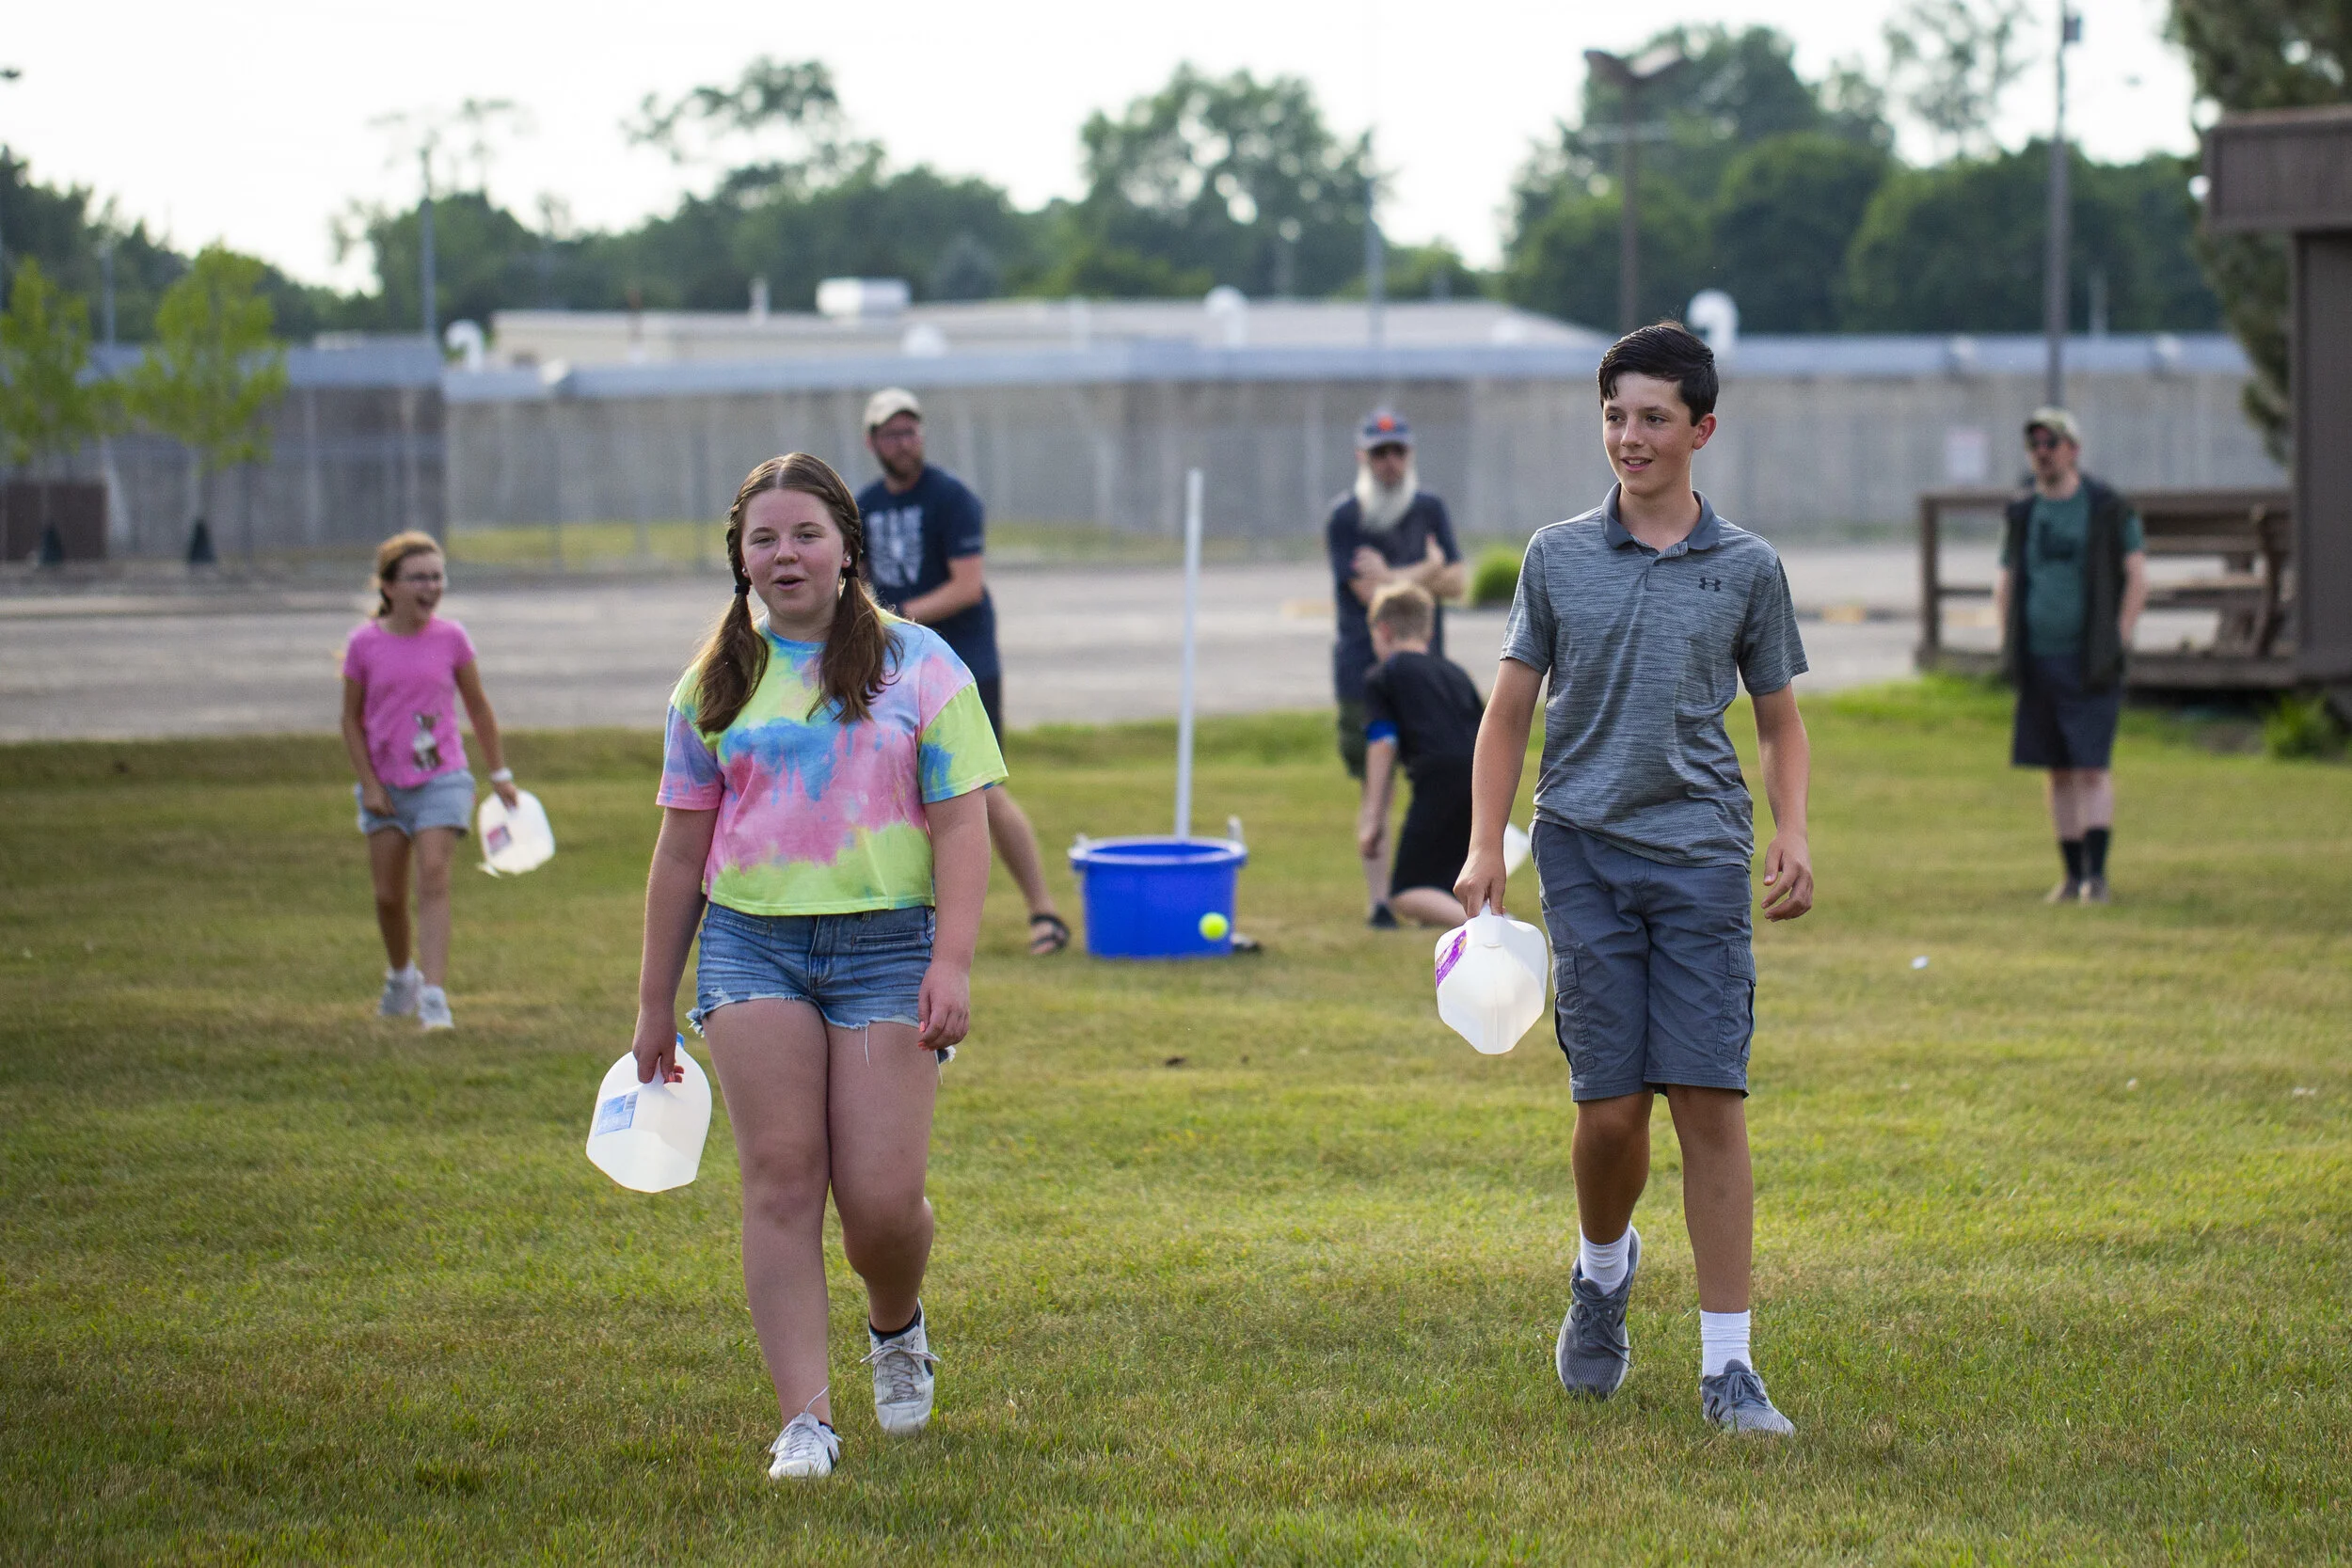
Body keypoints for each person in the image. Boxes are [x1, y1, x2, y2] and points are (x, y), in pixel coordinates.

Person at [1455, 323, 1814, 1436]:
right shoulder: (1556, 554)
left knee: (1708, 1094)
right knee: (1609, 1112)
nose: (1631, 435)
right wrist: (1484, 844)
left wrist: (1789, 828)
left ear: (1702, 428)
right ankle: (1601, 1275)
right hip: (1583, 848)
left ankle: (1728, 1366)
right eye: (1615, 414)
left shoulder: (1748, 566)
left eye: (1654, 416)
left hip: (1702, 850)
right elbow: (1509, 707)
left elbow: (1779, 718)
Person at [629, 453, 1002, 1482]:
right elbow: (677, 855)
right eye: (762, 537)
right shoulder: (713, 682)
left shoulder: (921, 664)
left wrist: (954, 960)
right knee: (782, 1180)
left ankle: (896, 1321)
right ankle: (806, 1419)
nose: (783, 553)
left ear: (846, 545)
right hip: (753, 946)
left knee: (882, 1201)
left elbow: (961, 822)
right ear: (739, 556)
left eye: (803, 534)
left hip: (889, 945)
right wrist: (653, 1001)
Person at [856, 388, 1070, 957]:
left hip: (962, 663)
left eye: (912, 431)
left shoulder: (951, 498)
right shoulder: (864, 506)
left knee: (980, 789)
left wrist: (891, 621)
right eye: (892, 434)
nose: (905, 443)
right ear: (872, 441)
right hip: (892, 665)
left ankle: (1044, 912)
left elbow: (966, 586)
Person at [339, 531, 519, 1032]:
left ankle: (435, 996)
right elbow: (350, 721)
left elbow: (478, 709)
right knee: (388, 895)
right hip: (385, 786)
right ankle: (402, 977)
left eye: (437, 577)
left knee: (434, 875)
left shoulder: (452, 639)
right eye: (418, 577)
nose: (431, 586)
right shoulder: (363, 645)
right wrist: (370, 784)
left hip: (444, 779)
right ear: (390, 586)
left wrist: (499, 773)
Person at [1994, 408, 2148, 905]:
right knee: (2056, 769)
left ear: (2073, 449)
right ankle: (2071, 875)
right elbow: (2007, 579)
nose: (2042, 451)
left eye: (2051, 442)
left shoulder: (2107, 508)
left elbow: (2137, 576)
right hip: (2038, 658)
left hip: (2090, 659)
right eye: (2034, 443)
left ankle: (2097, 878)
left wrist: (2118, 638)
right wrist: (2008, 639)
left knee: (2091, 768)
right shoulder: (2022, 513)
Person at [1326, 409, 1465, 927]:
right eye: (1379, 452)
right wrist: (1425, 571)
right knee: (1374, 778)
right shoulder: (1347, 517)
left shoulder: (1429, 508)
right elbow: (1370, 597)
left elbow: (1457, 582)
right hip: (1368, 668)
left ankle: (1438, 888)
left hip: (1427, 670)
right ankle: (1382, 899)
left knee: (1439, 778)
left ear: (1410, 456)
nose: (1390, 462)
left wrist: (1402, 575)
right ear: (1363, 457)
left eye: (1398, 451)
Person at [1356, 582, 1483, 928]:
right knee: (1445, 881)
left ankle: (1495, 928)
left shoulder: (1384, 676)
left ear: (1382, 630)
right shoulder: (1455, 673)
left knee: (1406, 893)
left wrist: (1373, 820)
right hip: (1479, 778)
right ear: (1428, 631)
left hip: (1437, 779)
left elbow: (1383, 746)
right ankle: (1474, 925)